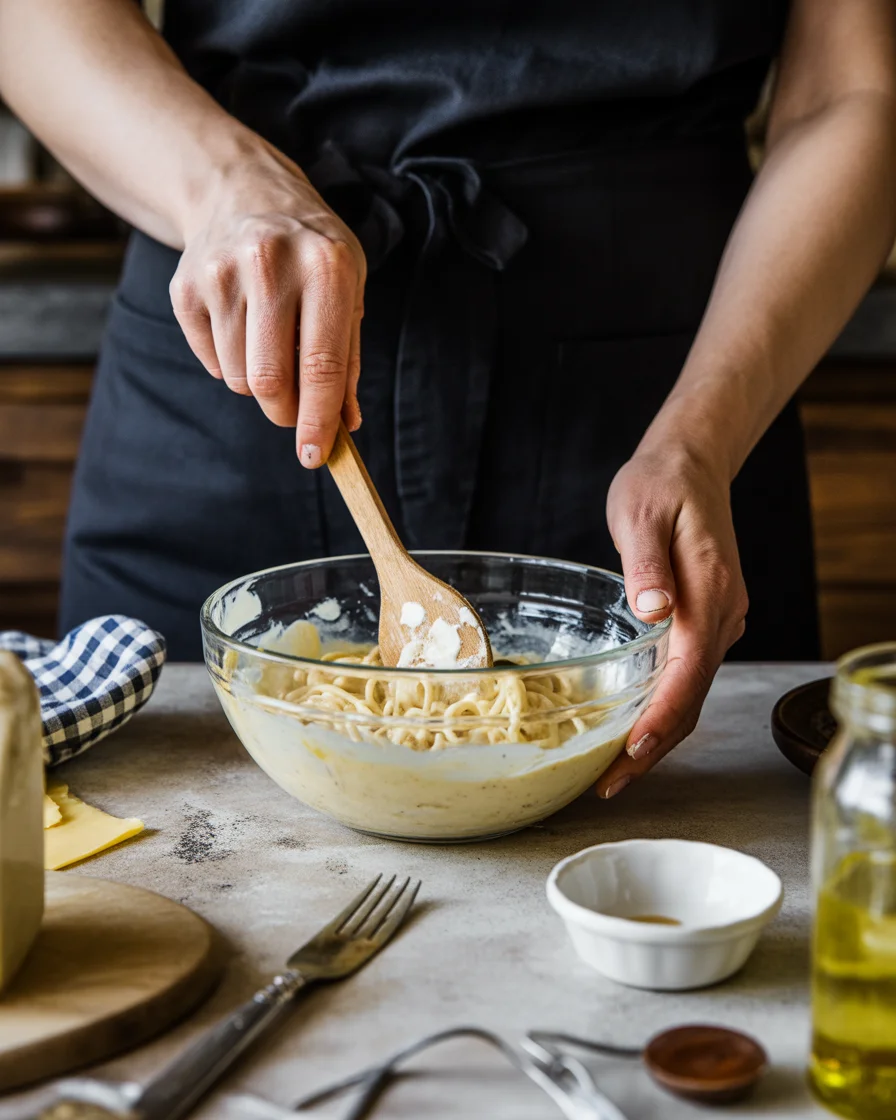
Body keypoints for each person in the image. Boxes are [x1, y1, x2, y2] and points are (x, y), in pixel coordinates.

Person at [1, 1, 893, 798]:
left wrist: (702, 435)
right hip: (238, 310)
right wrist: (226, 186)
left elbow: (848, 91)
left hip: (682, 363)